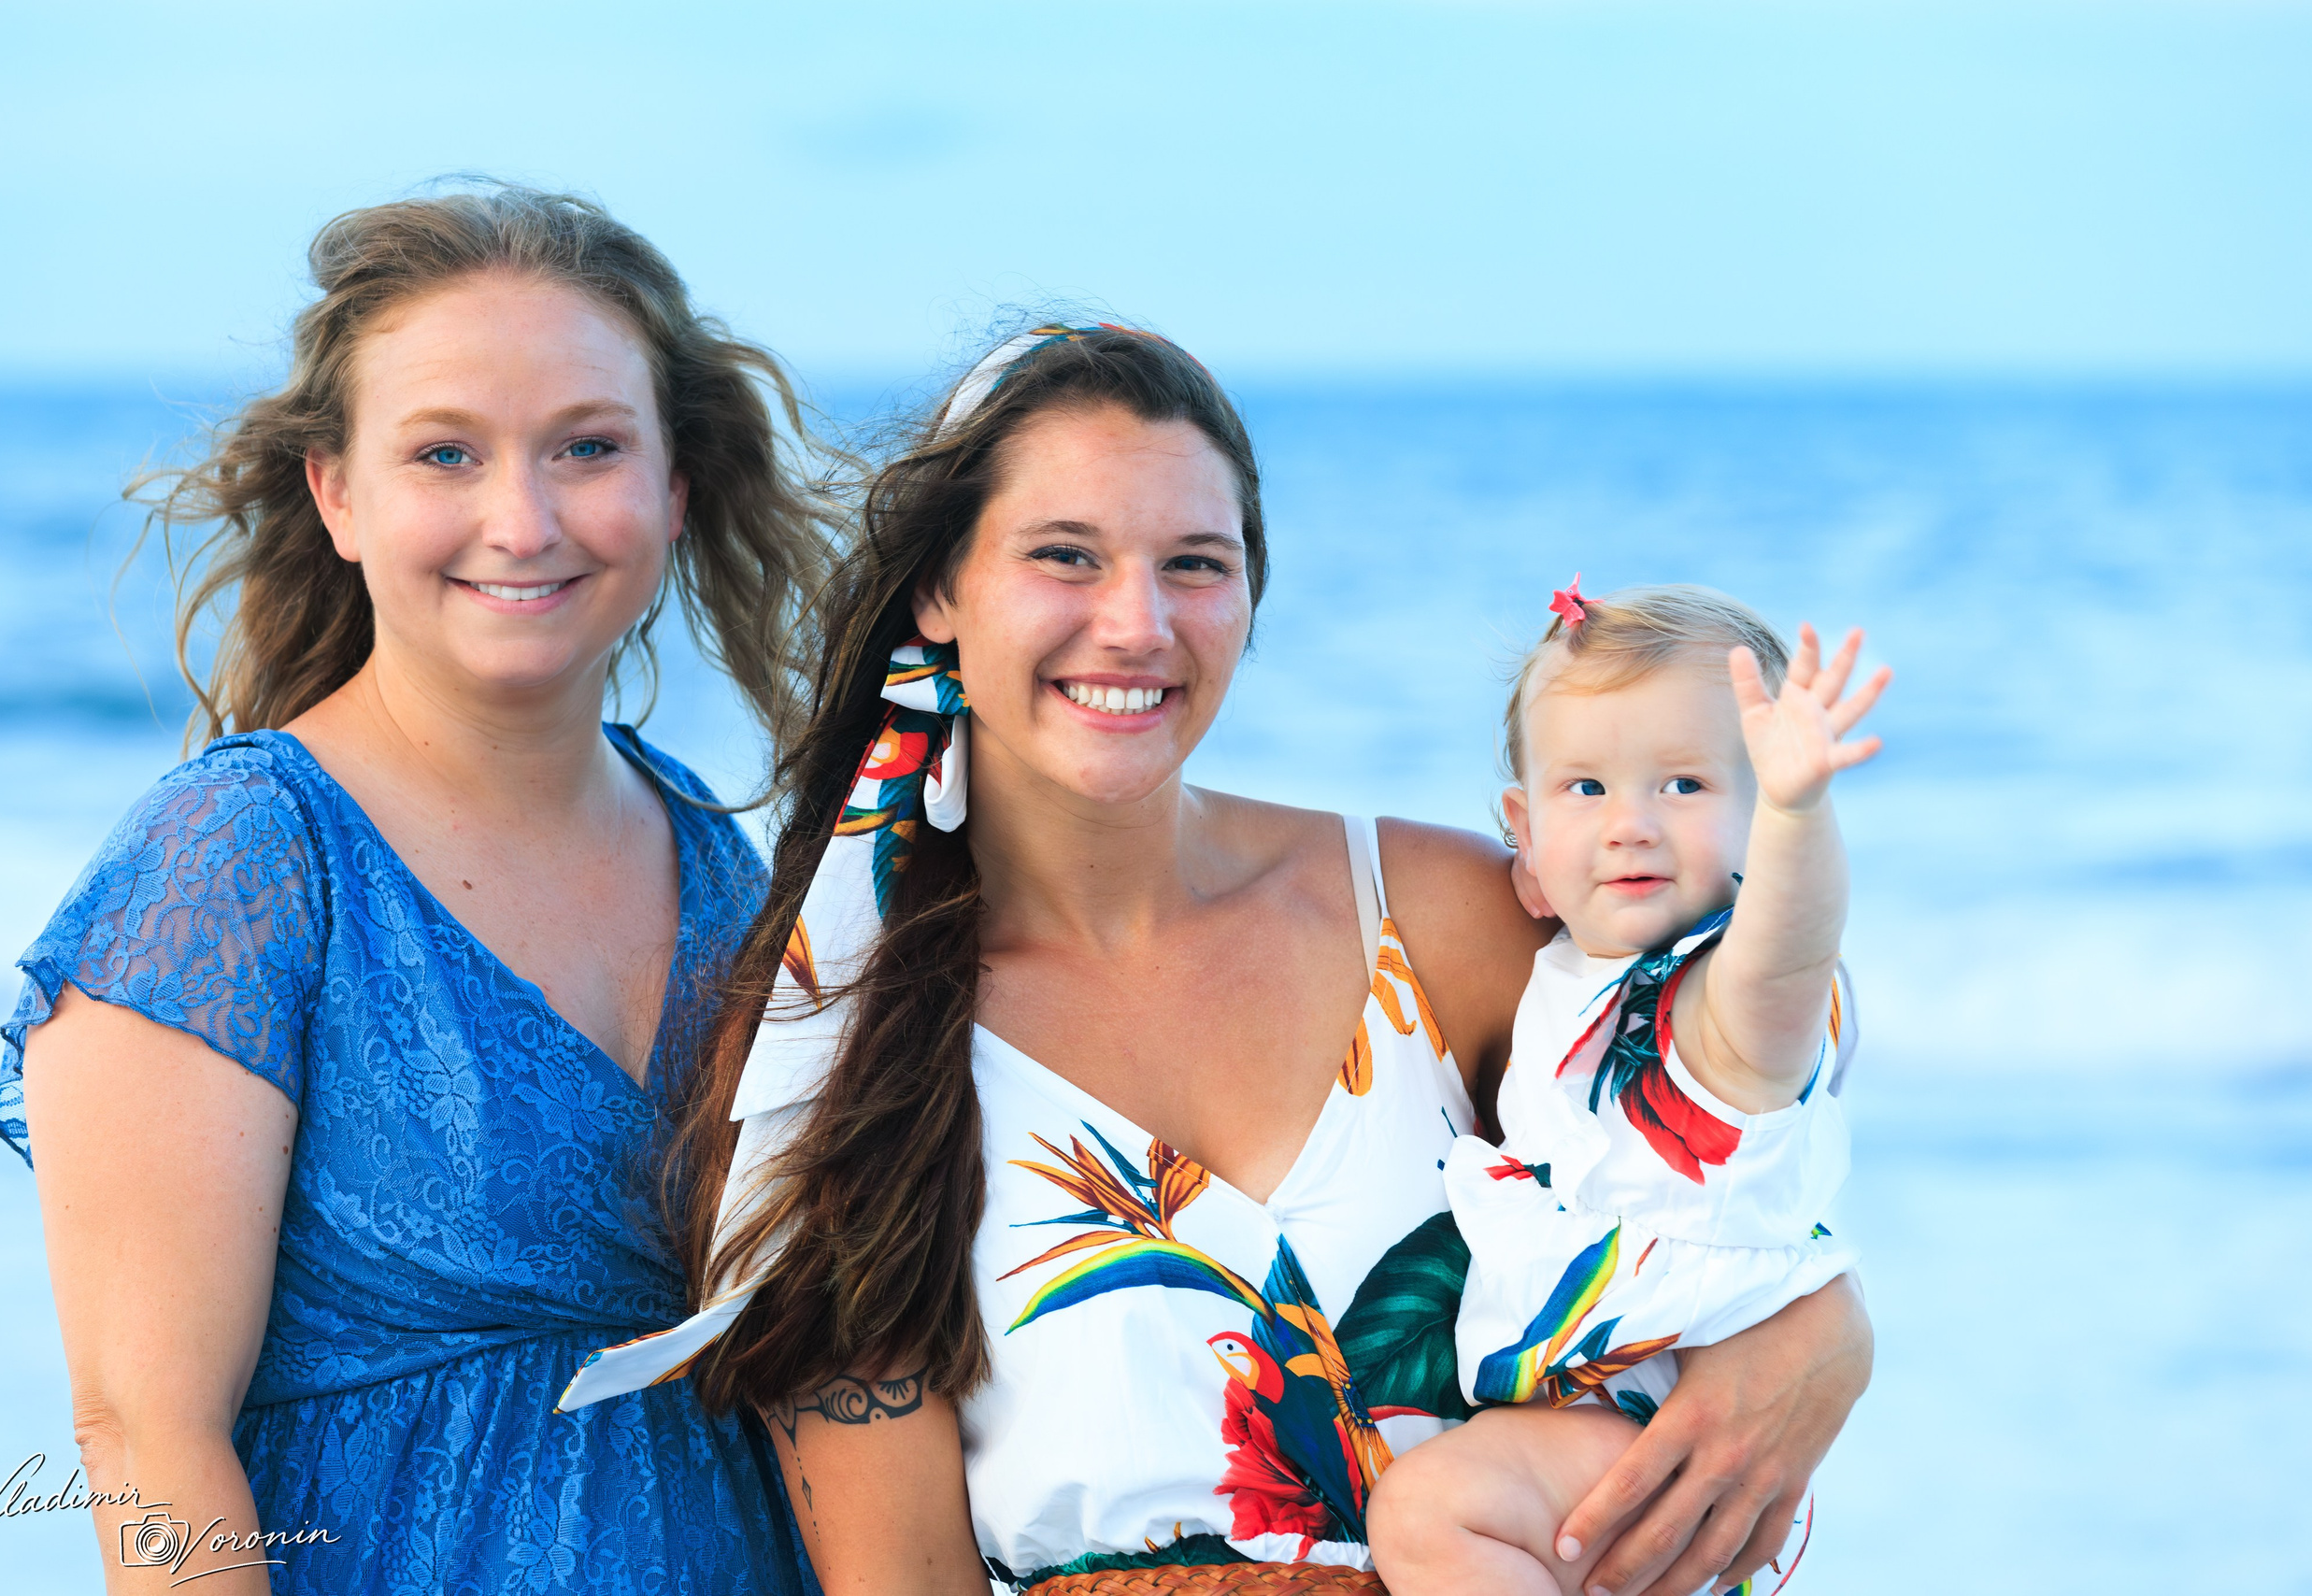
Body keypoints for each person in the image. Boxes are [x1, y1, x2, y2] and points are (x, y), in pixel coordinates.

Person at [564, 321, 1874, 1596]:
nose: (1137, 624)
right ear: (940, 591)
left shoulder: (1439, 913)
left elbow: (1729, 1087)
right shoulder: (840, 1056)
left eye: (1195, 563)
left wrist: (1826, 1328)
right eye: (1065, 556)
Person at [0, 185, 835, 1594]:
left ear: (674, 488)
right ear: (338, 494)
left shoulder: (717, 856)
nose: (523, 517)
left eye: (588, 447)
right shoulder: (241, 863)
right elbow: (143, 1438)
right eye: (445, 452)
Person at [1363, 584, 1890, 1594]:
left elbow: (1789, 954)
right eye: (1586, 789)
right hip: (1600, 1405)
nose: (1632, 825)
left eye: (1685, 786)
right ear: (1522, 843)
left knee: (1430, 1511)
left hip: (1672, 1418)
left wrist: (1797, 812)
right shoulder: (1567, 968)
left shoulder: (1714, 1002)